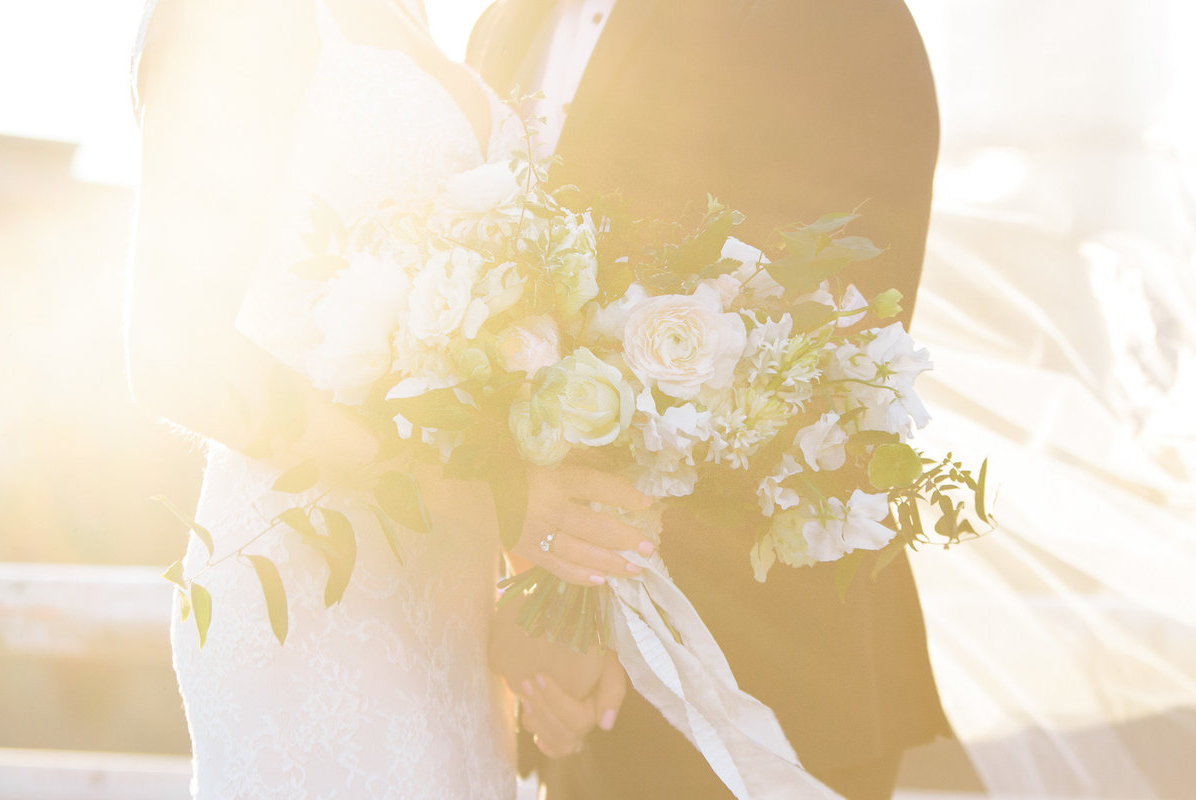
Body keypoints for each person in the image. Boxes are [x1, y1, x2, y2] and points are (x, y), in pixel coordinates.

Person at [126, 0, 640, 796]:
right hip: (308, 590)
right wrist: (494, 495)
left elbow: (471, 385)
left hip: (451, 623)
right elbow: (174, 354)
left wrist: (553, 618)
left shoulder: (416, 20)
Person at [469, 1, 951, 798]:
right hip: (578, 704)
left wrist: (580, 603)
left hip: (773, 682)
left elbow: (819, 353)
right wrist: (534, 584)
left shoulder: (833, 18)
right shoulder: (505, 24)